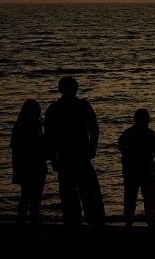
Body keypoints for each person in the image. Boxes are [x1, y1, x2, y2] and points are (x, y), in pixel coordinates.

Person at [44, 76, 106, 226]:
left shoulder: (53, 109)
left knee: (69, 195)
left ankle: (73, 223)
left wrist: (53, 157)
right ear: (75, 88)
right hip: (81, 156)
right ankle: (94, 222)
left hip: (65, 157)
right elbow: (94, 128)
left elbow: (49, 136)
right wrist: (92, 147)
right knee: (90, 193)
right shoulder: (82, 105)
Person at [117, 108, 155, 227]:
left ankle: (129, 221)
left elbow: (120, 146)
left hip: (131, 169)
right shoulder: (150, 134)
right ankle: (150, 221)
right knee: (149, 197)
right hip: (146, 169)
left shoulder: (128, 133)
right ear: (147, 120)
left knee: (130, 196)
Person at [10, 99, 49, 225]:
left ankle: (22, 222)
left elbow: (15, 149)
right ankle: (33, 222)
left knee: (26, 196)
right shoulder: (35, 126)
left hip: (24, 166)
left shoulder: (18, 127)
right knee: (35, 198)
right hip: (36, 166)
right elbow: (41, 147)